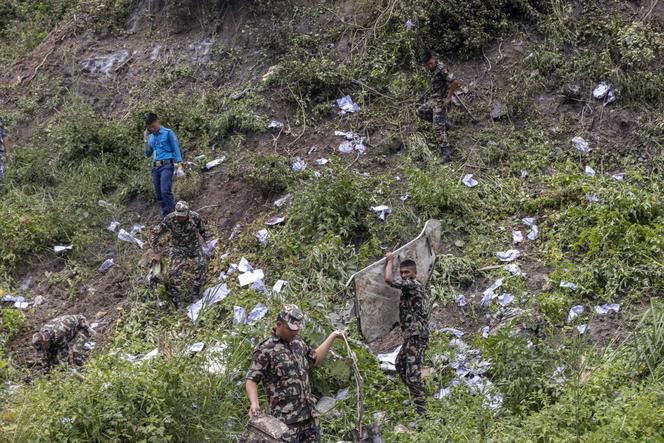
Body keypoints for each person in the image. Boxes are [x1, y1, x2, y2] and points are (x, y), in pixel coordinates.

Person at [245, 304, 345, 443]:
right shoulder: (265, 349)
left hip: (309, 418)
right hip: (286, 423)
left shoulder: (298, 342)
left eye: (297, 329)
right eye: (290, 329)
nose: (294, 332)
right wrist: (254, 403)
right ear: (279, 324)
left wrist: (333, 336)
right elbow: (251, 379)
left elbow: (314, 358)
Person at [384, 253, 430, 415]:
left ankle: (422, 411)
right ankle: (417, 397)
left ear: (414, 273)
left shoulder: (413, 284)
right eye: (402, 273)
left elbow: (388, 280)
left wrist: (389, 261)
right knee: (400, 365)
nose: (404, 276)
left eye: (407, 272)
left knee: (412, 374)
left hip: (416, 336)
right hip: (411, 336)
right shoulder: (408, 288)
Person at [150, 200, 209, 309]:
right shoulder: (170, 219)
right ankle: (177, 300)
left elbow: (203, 230)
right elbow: (155, 234)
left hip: (193, 246)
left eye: (182, 216)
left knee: (202, 264)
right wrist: (157, 252)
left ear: (188, 213)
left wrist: (207, 242)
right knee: (174, 272)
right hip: (178, 248)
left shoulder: (195, 217)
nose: (179, 218)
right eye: (178, 215)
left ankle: (195, 292)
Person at [416, 50, 461, 163]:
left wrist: (449, 98)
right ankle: (445, 123)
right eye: (426, 65)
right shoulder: (429, 70)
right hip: (434, 99)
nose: (429, 66)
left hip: (441, 100)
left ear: (434, 58)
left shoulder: (441, 69)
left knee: (437, 128)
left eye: (430, 63)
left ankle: (446, 154)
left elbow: (455, 83)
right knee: (420, 111)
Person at [143, 113, 183, 219]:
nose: (152, 129)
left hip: (166, 165)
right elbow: (147, 154)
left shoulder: (168, 133)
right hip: (155, 168)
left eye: (153, 126)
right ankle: (166, 217)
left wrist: (179, 165)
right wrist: (145, 140)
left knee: (165, 191)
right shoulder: (150, 137)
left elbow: (176, 148)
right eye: (149, 128)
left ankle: (175, 216)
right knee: (159, 194)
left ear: (157, 121)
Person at [0, 116, 8, 194]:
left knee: (1, 174)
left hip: (1, 152)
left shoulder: (1, 119)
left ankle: (2, 196)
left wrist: (7, 151)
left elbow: (4, 136)